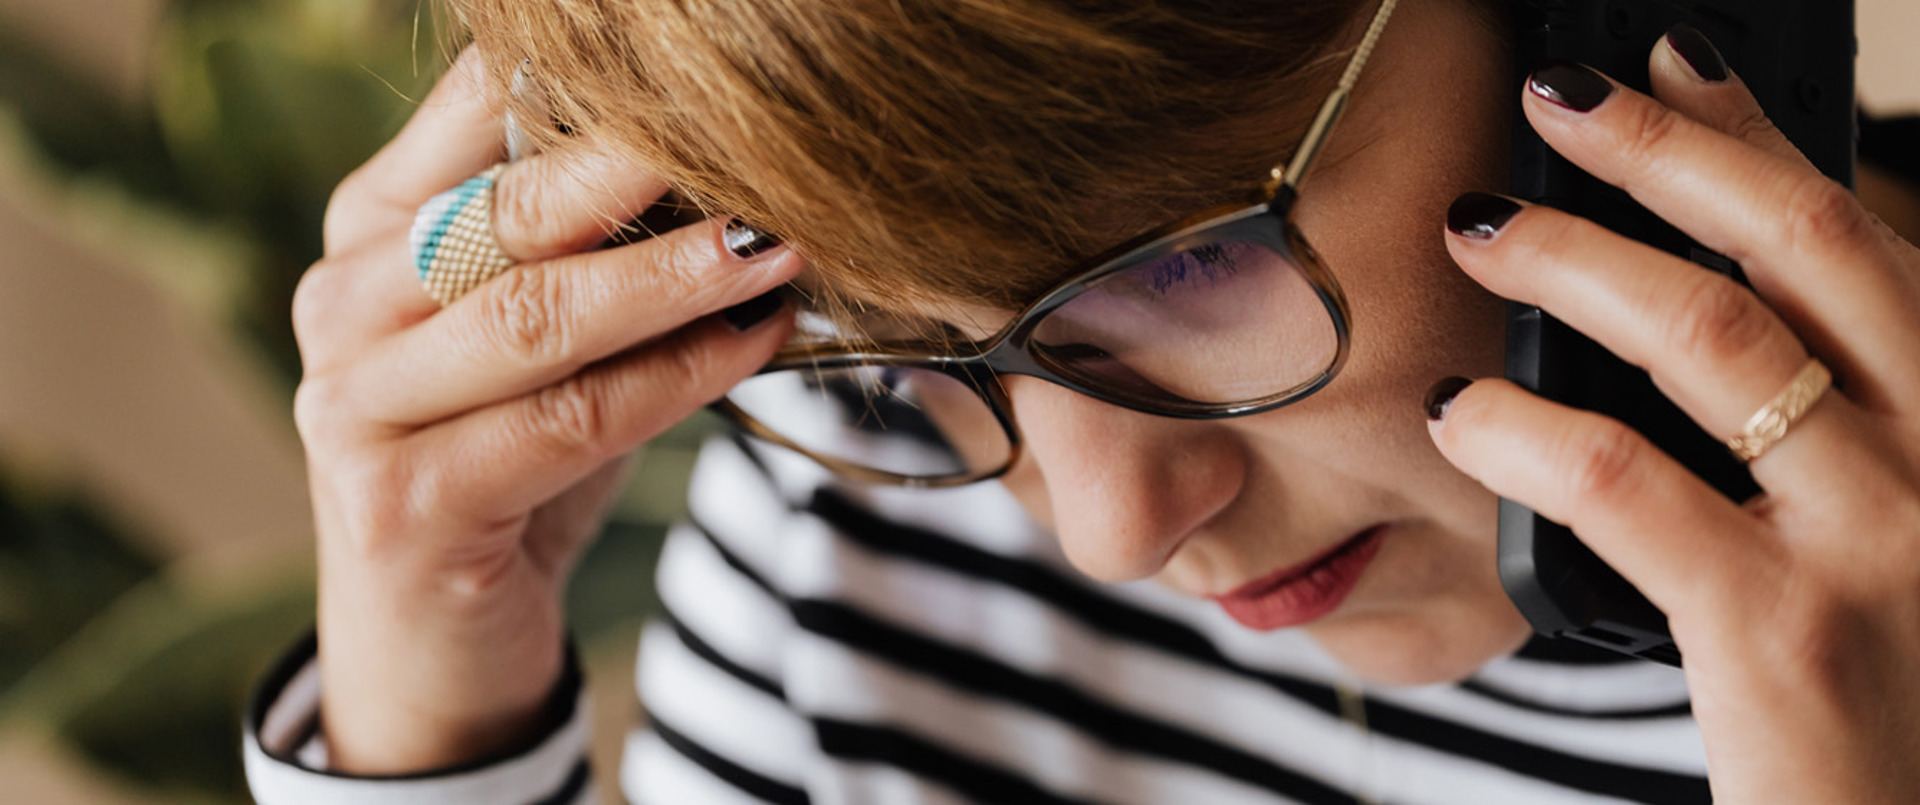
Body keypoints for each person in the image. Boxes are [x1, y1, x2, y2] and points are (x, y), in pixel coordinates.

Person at [243, 0, 1920, 802]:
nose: (1112, 532)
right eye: (900, 344)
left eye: (1187, 270)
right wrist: (426, 728)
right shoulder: (857, 509)